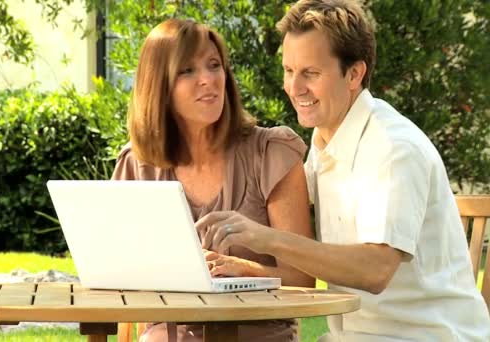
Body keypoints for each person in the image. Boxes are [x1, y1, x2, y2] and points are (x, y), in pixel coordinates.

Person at [197, 0, 490, 341]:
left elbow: (376, 269)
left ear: (354, 74)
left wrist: (266, 239)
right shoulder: (325, 139)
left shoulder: (393, 148)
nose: (294, 87)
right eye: (289, 70)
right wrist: (243, 268)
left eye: (311, 73)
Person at [111, 18, 315, 342]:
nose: (208, 80)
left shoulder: (271, 153)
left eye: (214, 65)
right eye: (187, 71)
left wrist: (240, 269)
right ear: (159, 86)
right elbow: (118, 276)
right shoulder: (137, 166)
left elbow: (302, 280)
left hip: (258, 334)